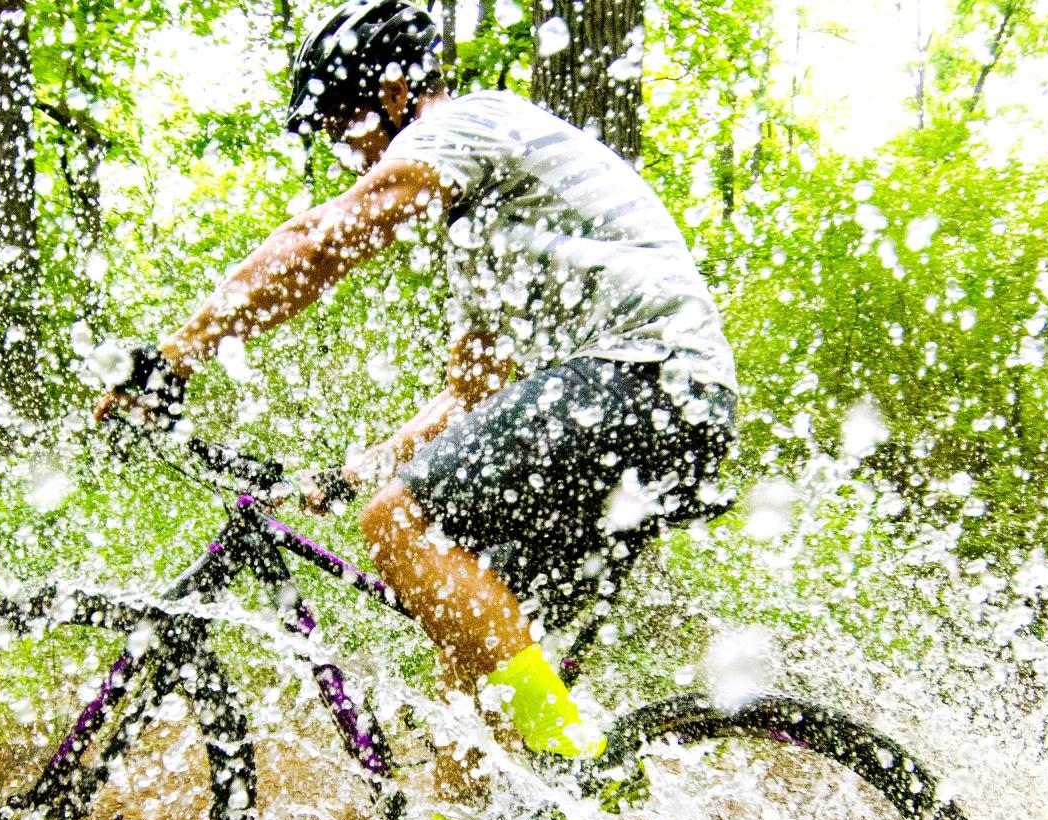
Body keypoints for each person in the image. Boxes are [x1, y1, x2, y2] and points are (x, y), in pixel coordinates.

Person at [95, 0, 736, 766]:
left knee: (399, 524)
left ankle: (577, 760)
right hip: (668, 400)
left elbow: (323, 242)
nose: (347, 150)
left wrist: (175, 357)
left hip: (646, 378)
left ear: (395, 93)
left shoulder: (467, 123)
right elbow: (474, 387)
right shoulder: (486, 229)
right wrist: (357, 467)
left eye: (343, 123)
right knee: (469, 657)